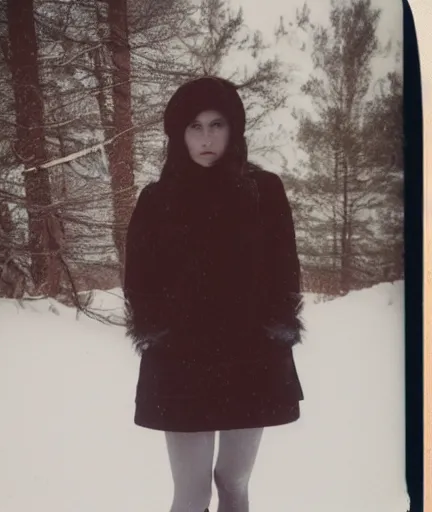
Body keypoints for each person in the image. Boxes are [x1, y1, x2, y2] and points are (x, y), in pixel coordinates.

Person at [123, 76, 304, 512]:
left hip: (251, 357)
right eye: (195, 126)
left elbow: (285, 269)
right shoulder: (156, 199)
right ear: (178, 134)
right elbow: (138, 279)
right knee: (192, 492)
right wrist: (156, 330)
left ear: (234, 130)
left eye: (217, 125)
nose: (207, 138)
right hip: (181, 362)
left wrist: (277, 325)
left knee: (234, 483)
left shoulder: (265, 191)